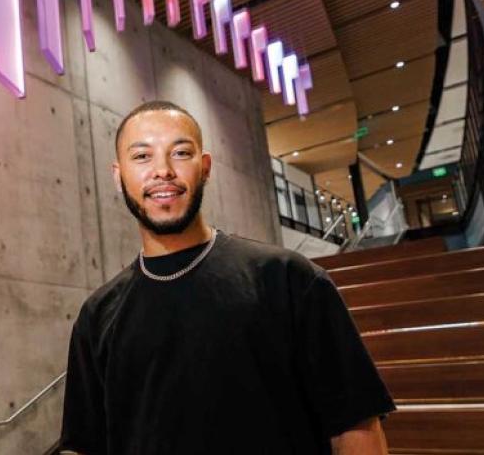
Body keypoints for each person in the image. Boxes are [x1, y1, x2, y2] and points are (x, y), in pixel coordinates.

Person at [58, 101, 394, 454]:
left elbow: (356, 427)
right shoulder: (97, 315)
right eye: (142, 157)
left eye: (181, 153)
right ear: (118, 175)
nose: (163, 171)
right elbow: (83, 445)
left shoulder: (288, 279)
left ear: (204, 168)